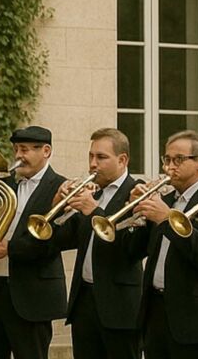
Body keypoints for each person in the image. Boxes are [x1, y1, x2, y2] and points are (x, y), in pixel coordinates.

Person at [0, 125, 67, 359]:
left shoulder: (61, 187)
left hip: (30, 294)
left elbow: (54, 241)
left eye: (26, 149)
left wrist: (9, 249)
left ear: (46, 151)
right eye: (17, 149)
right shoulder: (4, 185)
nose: (19, 156)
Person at [126, 130, 198, 359]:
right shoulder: (166, 199)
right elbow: (134, 250)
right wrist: (136, 213)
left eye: (178, 160)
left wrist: (167, 219)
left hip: (193, 319)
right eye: (167, 159)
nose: (169, 167)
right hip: (156, 312)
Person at [53, 127, 144, 359]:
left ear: (122, 160)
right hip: (84, 302)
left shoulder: (136, 192)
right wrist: (57, 206)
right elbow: (60, 240)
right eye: (91, 156)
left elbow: (131, 249)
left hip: (120, 307)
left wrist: (93, 210)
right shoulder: (93, 192)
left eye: (101, 157)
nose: (93, 164)